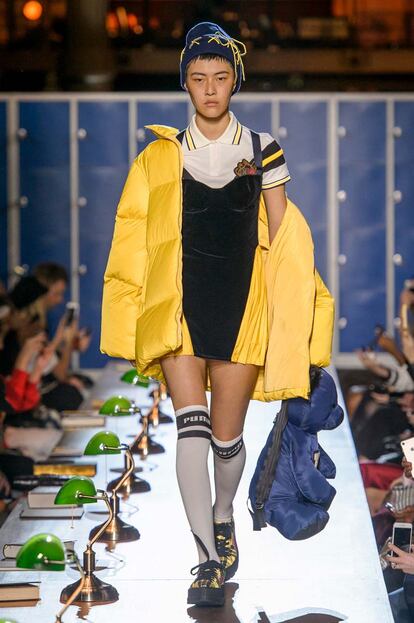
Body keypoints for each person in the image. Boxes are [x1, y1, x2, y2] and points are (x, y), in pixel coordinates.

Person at [100, 21, 334, 607]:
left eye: (220, 77)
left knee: (228, 443)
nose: (209, 88)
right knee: (191, 429)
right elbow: (135, 241)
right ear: (185, 82)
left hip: (241, 310)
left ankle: (223, 513)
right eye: (199, 78)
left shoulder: (262, 149)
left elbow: (285, 240)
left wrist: (299, 325)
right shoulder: (161, 156)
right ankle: (205, 556)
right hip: (180, 311)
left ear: (235, 81)